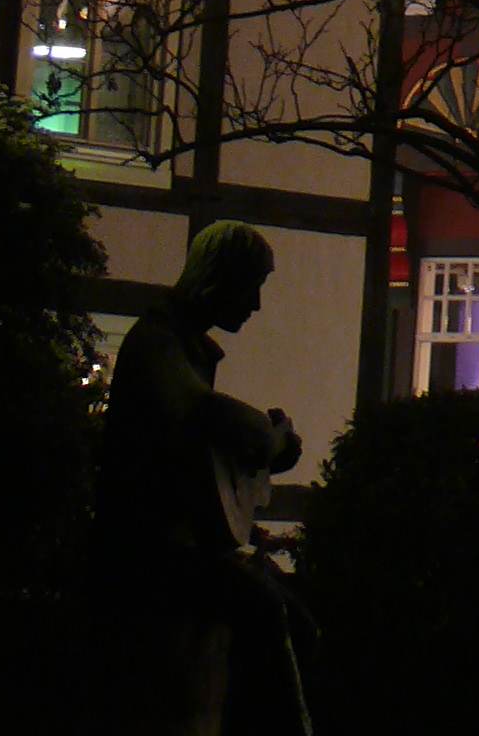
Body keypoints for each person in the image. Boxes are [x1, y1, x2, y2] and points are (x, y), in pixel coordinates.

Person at [94, 221, 309, 735]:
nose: (256, 305)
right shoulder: (157, 340)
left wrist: (264, 454)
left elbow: (199, 456)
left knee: (295, 616)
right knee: (266, 613)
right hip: (143, 556)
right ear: (220, 278)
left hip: (179, 549)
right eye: (251, 286)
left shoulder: (186, 347)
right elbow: (198, 410)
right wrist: (264, 436)